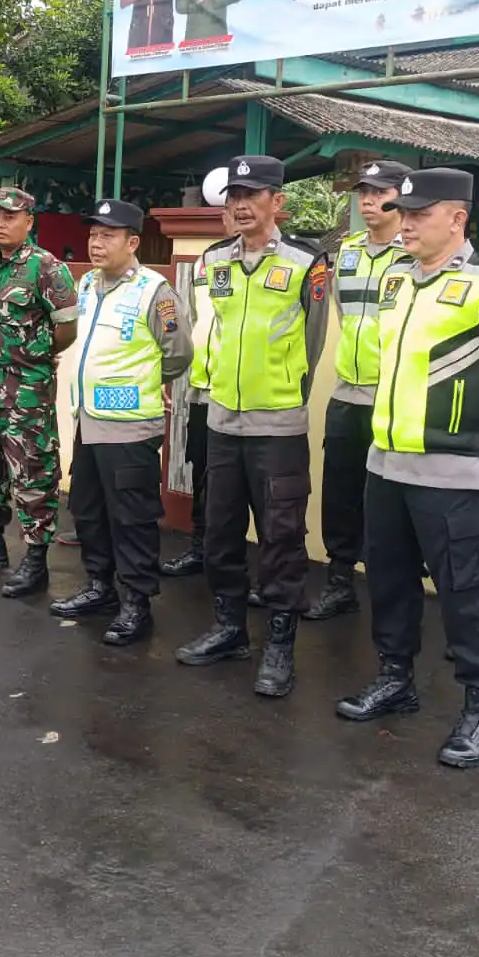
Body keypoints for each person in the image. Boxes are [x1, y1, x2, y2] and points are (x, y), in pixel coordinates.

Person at [335, 168, 479, 769]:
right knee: (389, 580)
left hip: (453, 473)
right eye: (402, 214)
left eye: (419, 215)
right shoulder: (398, 280)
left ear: (457, 218)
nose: (405, 225)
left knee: (466, 594)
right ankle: (394, 676)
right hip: (387, 464)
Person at [173, 156, 328, 700]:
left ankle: (280, 646)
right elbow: (206, 330)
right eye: (234, 195)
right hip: (222, 419)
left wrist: (285, 392)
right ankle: (230, 628)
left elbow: (313, 341)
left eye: (252, 195)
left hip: (277, 425)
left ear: (276, 202)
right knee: (219, 531)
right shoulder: (214, 259)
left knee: (281, 537)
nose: (240, 205)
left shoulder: (307, 262)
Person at [50, 199, 193, 645]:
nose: (96, 243)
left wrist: (148, 381)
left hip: (130, 426)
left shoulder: (156, 292)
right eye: (93, 234)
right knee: (88, 509)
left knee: (132, 517)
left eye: (107, 235)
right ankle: (99, 586)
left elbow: (178, 353)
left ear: (132, 242)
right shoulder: (87, 284)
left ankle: (136, 601)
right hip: (89, 420)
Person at [0, 188, 80, 597]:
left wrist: (35, 357)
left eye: (9, 217)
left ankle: (36, 558)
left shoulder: (47, 269)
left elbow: (67, 328)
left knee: (33, 472)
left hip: (25, 393)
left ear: (29, 222)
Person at [310, 161, 410, 622]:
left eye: (379, 192)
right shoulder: (346, 253)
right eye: (363, 192)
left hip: (393, 398)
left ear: (402, 196)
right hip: (347, 393)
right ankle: (339, 581)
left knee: (389, 499)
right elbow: (343, 316)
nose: (367, 201)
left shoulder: (412, 256)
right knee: (340, 492)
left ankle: (391, 593)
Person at [160, 203, 237, 578]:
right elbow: (194, 320)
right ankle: (199, 548)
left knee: (235, 483)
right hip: (203, 390)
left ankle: (229, 557)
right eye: (230, 210)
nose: (236, 216)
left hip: (240, 394)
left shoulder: (274, 264)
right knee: (200, 470)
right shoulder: (208, 261)